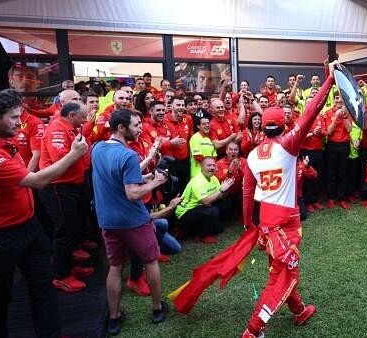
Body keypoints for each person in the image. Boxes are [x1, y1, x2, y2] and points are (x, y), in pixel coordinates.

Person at [170, 61, 338, 338]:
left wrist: (249, 224)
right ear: (283, 125)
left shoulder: (253, 158)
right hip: (285, 222)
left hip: (266, 221)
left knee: (279, 269)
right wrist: (329, 80)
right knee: (284, 275)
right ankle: (253, 330)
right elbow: (311, 111)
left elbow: (248, 195)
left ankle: (298, 310)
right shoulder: (289, 145)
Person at [0, 89, 88, 338]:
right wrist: (74, 155)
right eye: (13, 117)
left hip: (28, 227)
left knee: (42, 286)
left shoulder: (3, 141)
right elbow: (37, 181)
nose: (19, 123)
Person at [91, 109, 169, 335]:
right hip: (133, 220)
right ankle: (157, 308)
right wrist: (156, 182)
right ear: (121, 128)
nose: (140, 128)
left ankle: (114, 317)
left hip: (108, 220)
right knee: (151, 261)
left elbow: (117, 177)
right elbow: (133, 193)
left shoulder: (97, 149)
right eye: (135, 125)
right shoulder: (128, 155)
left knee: (115, 267)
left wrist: (143, 177)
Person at [39, 102, 94, 292]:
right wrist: (79, 152)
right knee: (64, 230)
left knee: (72, 227)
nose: (86, 120)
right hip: (58, 187)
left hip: (71, 185)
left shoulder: (70, 127)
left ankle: (69, 267)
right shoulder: (57, 130)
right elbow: (60, 159)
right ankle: (60, 276)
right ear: (71, 115)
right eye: (83, 116)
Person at [174, 157, 234, 243]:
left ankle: (212, 227)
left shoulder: (214, 178)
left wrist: (226, 188)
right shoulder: (197, 181)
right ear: (202, 167)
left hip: (200, 207)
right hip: (186, 211)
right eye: (209, 165)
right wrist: (221, 190)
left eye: (213, 165)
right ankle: (202, 235)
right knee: (212, 210)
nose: (212, 167)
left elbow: (220, 197)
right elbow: (205, 201)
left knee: (226, 202)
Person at [325, 92, 353, 209]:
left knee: (343, 173)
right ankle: (331, 198)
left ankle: (341, 198)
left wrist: (344, 116)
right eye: (337, 98)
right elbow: (329, 132)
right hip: (332, 145)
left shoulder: (348, 112)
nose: (339, 101)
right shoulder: (328, 112)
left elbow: (350, 129)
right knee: (331, 172)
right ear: (334, 99)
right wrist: (335, 117)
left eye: (341, 99)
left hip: (344, 145)